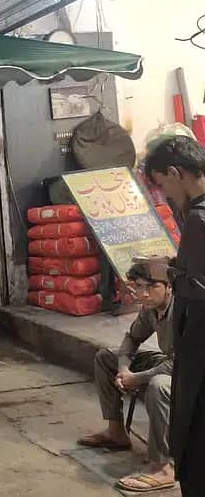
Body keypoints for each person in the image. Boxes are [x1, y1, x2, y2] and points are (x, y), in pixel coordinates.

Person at [78, 262, 175, 492]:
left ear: (169, 286)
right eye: (139, 287)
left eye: (149, 288)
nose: (142, 294)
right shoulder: (151, 308)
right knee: (105, 357)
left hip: (192, 372)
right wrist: (123, 370)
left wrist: (137, 378)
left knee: (158, 384)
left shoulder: (185, 310)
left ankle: (163, 467)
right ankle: (116, 432)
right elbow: (131, 339)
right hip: (170, 363)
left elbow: (180, 365)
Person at [144, 136, 205, 496]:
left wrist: (167, 273)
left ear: (176, 172)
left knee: (193, 434)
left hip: (200, 340)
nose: (164, 194)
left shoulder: (198, 218)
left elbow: (199, 285)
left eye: (163, 184)